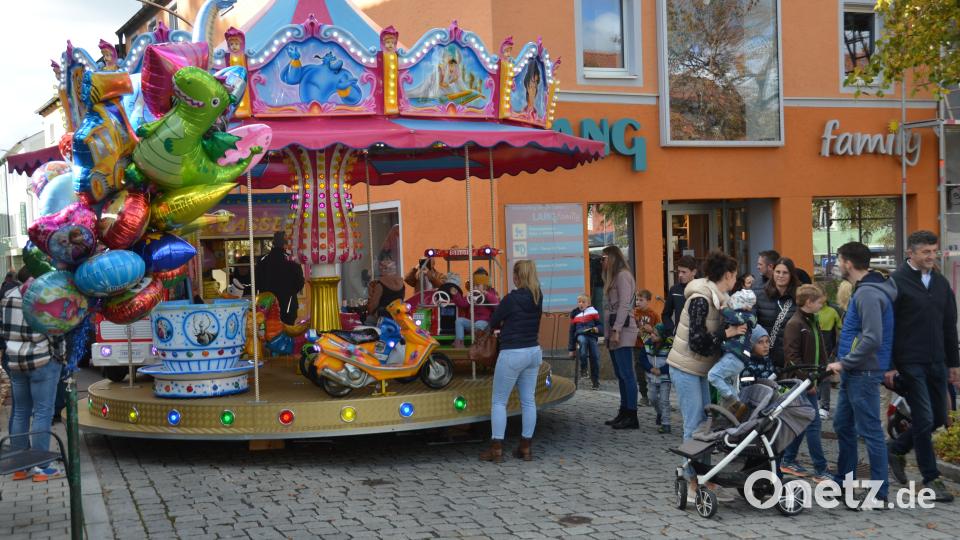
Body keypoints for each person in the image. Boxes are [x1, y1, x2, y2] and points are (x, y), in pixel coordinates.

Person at [887, 231, 959, 502]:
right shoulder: (897, 282)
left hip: (937, 361)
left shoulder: (940, 284)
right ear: (911, 253)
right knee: (925, 417)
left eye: (933, 251)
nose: (931, 256)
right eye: (926, 252)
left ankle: (896, 448)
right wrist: (891, 365)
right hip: (909, 362)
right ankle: (931, 478)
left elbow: (949, 326)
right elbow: (888, 326)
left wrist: (954, 364)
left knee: (940, 417)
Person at [826, 241, 897, 507]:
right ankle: (844, 481)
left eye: (838, 260)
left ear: (848, 262)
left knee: (870, 432)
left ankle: (879, 493)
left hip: (863, 372)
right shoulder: (867, 289)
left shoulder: (867, 294)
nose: (836, 265)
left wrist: (844, 363)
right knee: (843, 425)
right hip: (856, 371)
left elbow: (872, 338)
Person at [667, 251, 744, 494]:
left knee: (704, 423)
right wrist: (726, 334)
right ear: (728, 275)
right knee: (694, 425)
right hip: (686, 367)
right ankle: (693, 483)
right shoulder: (701, 299)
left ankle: (702, 476)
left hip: (698, 368)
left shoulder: (717, 297)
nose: (736, 281)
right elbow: (697, 342)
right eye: (735, 276)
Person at [2, 268, 65, 481]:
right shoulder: (44, 295)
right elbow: (55, 330)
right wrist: (60, 354)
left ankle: (21, 467)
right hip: (41, 361)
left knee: (20, 411)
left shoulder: (9, 296)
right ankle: (42, 467)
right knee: (42, 413)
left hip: (16, 362)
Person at [479, 260, 543, 462]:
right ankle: (526, 448)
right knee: (528, 401)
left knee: (499, 401)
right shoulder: (538, 296)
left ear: (517, 276)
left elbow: (494, 320)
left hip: (512, 353)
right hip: (533, 351)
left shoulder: (511, 299)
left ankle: (496, 449)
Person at [780, 284, 831, 483]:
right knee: (813, 424)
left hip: (810, 380)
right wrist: (806, 379)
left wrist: (824, 371)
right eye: (819, 302)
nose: (821, 306)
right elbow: (791, 357)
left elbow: (821, 349)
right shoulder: (795, 324)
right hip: (801, 383)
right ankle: (820, 469)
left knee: (802, 423)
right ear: (809, 302)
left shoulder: (811, 321)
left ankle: (789, 459)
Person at [601, 246, 640, 430]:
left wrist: (616, 330)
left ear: (613, 258)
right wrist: (608, 334)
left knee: (627, 374)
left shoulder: (623, 275)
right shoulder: (613, 277)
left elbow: (624, 305)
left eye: (605, 258)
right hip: (615, 330)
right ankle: (624, 411)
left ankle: (632, 415)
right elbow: (609, 309)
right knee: (620, 374)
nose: (603, 262)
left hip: (624, 330)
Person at [706, 289, 758, 420]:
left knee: (713, 375)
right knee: (727, 381)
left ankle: (734, 401)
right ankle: (737, 411)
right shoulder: (746, 315)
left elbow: (734, 316)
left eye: (734, 302)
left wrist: (723, 309)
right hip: (736, 356)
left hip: (735, 355)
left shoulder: (745, 315)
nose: (731, 305)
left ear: (746, 305)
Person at [754, 257, 800, 368]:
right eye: (778, 272)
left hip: (790, 355)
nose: (780, 276)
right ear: (773, 272)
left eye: (785, 273)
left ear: (791, 275)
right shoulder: (759, 294)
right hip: (764, 356)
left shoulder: (799, 296)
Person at [255, 232, 305, 324]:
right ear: (285, 245)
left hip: (267, 304)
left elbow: (257, 282)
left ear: (273, 243)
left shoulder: (263, 260)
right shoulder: (291, 260)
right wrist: (290, 292)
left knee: (269, 330)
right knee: (287, 330)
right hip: (288, 305)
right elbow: (300, 282)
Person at [452, 268, 500, 348]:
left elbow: (496, 304)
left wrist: (486, 294)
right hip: (472, 322)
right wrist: (456, 294)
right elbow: (462, 304)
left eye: (477, 285)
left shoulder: (491, 293)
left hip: (485, 323)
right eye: (473, 285)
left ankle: (478, 344)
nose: (475, 288)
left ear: (485, 285)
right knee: (459, 321)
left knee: (478, 325)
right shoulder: (472, 294)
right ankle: (459, 341)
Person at [642, 322, 673, 433]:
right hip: (651, 377)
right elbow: (643, 359)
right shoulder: (647, 344)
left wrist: (662, 370)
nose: (652, 336)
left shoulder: (669, 346)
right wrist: (650, 368)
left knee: (664, 400)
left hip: (665, 378)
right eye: (652, 333)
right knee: (652, 398)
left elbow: (672, 362)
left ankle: (666, 424)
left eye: (655, 334)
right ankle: (660, 413)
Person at [816, 293, 842, 417]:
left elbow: (842, 331)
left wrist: (836, 349)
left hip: (828, 350)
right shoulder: (810, 311)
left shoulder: (832, 311)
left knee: (825, 378)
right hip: (813, 349)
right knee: (814, 377)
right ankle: (816, 401)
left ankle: (825, 406)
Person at [568, 294, 602, 390]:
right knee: (582, 343)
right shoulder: (575, 314)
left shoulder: (593, 312)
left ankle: (595, 382)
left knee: (595, 356)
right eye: (579, 302)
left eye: (583, 302)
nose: (581, 304)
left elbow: (600, 326)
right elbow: (571, 332)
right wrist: (571, 349)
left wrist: (597, 329)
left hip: (591, 336)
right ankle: (583, 369)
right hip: (580, 335)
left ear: (588, 303)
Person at [633, 289, 660, 406]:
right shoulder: (634, 314)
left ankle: (656, 396)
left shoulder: (653, 315)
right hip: (638, 346)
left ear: (648, 301)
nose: (638, 302)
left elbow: (659, 331)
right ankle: (644, 396)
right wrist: (635, 332)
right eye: (637, 300)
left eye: (641, 300)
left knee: (651, 370)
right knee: (639, 370)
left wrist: (652, 330)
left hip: (650, 348)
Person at [662, 255, 698, 336]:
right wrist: (673, 330)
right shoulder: (674, 290)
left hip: (699, 340)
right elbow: (665, 315)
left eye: (684, 272)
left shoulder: (703, 289)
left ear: (694, 272)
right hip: (680, 338)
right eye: (679, 271)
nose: (680, 275)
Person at [365, 259, 406, 326]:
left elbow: (374, 304)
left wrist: (370, 309)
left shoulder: (380, 284)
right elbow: (401, 299)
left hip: (383, 316)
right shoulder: (401, 283)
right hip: (398, 315)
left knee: (368, 320)